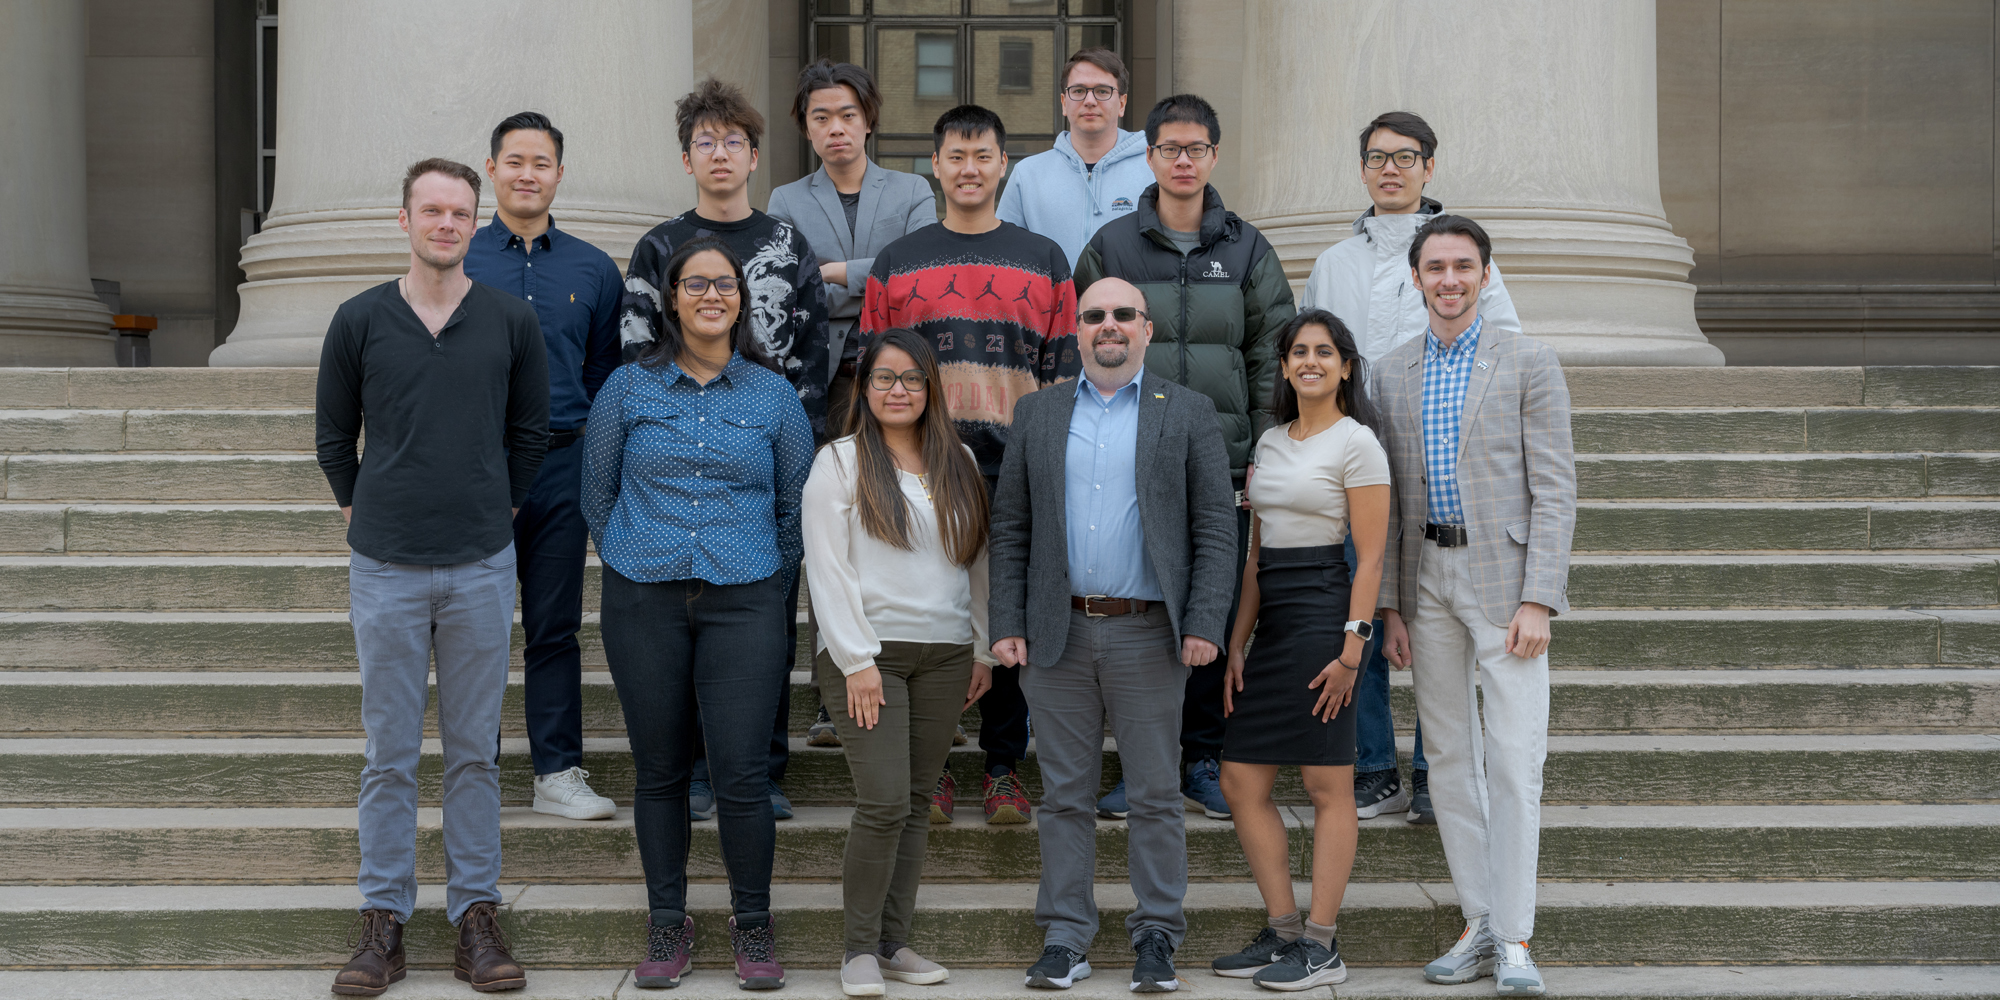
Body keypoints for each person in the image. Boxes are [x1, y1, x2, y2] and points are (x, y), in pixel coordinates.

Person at [317, 158, 545, 995]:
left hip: (482, 566)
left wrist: (499, 511)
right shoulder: (359, 320)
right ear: (403, 220)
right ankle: (383, 921)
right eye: (432, 210)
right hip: (385, 568)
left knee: (475, 754)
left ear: (474, 223)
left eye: (460, 212)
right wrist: (360, 510)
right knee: (388, 754)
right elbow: (333, 437)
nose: (446, 224)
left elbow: (530, 436)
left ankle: (475, 919)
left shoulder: (511, 321)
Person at [987, 276, 1236, 994]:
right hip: (1055, 633)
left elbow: (1217, 528)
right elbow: (1012, 528)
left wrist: (1204, 623)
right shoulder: (1036, 413)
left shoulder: (1186, 411)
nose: (1109, 326)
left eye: (1124, 314)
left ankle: (1157, 933)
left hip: (1150, 635)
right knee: (1064, 796)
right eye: (1094, 315)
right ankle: (1066, 937)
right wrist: (1005, 621)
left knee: (1156, 794)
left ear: (1147, 329)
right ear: (1076, 330)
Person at [582, 236, 814, 991]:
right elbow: (597, 493)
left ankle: (752, 926)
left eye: (724, 283)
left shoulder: (773, 396)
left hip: (744, 599)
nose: (710, 295)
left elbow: (793, 507)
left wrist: (765, 578)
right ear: (672, 298)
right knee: (659, 771)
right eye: (694, 283)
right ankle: (667, 921)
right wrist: (630, 552)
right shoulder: (626, 389)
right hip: (642, 596)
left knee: (743, 773)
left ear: (741, 299)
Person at [1073, 93, 1296, 823]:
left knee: (1211, 608)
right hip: (1127, 458)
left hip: (1223, 463)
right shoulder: (1111, 246)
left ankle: (1202, 756)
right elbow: (1077, 345)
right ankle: (1141, 765)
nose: (1182, 160)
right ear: (1150, 155)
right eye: (1169, 148)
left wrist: (1266, 443)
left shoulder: (1247, 249)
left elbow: (1274, 351)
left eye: (1195, 148)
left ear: (1214, 156)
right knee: (1141, 617)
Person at [1298, 111, 1524, 826]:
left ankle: (1434, 770)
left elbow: (1504, 356)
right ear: (1362, 169)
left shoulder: (1458, 254)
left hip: (1439, 473)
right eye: (1376, 157)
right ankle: (1373, 768)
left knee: (1438, 623)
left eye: (1405, 157)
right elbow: (1310, 359)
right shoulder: (1335, 262)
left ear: (1429, 166)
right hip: (1353, 467)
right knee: (1358, 615)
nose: (1390, 168)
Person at [860, 104, 1080, 827]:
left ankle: (1003, 769)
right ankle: (935, 770)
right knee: (931, 621)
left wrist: (1048, 464)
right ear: (935, 165)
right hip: (920, 470)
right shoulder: (898, 261)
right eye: (956, 155)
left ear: (1003, 165)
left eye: (983, 155)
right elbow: (874, 369)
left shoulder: (1045, 258)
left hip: (1013, 469)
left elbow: (1062, 372)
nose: (969, 169)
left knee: (1004, 622)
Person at [1372, 216, 1575, 997]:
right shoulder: (1389, 374)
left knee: (1516, 762)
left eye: (1463, 266)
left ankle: (1516, 936)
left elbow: (1555, 489)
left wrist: (1539, 599)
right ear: (1416, 279)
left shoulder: (1529, 362)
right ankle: (1479, 919)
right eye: (1435, 267)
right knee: (1451, 761)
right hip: (1426, 585)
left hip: (1504, 587)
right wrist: (1391, 607)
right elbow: (1387, 504)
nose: (1449, 279)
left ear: (1487, 276)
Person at [620, 77, 832, 822]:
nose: (719, 154)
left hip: (766, 465)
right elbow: (635, 356)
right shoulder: (658, 247)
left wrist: (791, 456)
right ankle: (696, 774)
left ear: (752, 156)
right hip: (672, 470)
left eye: (733, 141)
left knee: (766, 618)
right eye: (704, 142)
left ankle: (760, 769)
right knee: (678, 625)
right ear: (687, 159)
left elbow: (812, 356)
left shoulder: (786, 245)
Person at [803, 328, 995, 997]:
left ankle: (893, 941)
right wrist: (855, 661)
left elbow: (975, 562)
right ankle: (857, 949)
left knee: (915, 803)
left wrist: (982, 647)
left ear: (931, 388)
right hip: (870, 655)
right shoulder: (840, 462)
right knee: (883, 801)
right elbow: (826, 570)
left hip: (945, 654)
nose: (897, 390)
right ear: (864, 387)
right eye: (884, 378)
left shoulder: (959, 461)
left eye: (912, 378)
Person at [1209, 310, 1389, 992]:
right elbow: (1256, 555)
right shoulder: (1270, 441)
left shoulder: (1358, 443)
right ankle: (1283, 930)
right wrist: (1236, 642)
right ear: (1283, 367)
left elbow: (1369, 559)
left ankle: (1321, 943)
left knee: (1325, 783)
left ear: (1345, 366)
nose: (1310, 361)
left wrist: (1352, 652)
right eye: (1298, 352)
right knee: (1240, 780)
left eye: (1324, 352)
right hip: (1274, 618)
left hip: (1325, 615)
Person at [767, 59, 939, 750]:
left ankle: (923, 683)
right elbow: (787, 279)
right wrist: (871, 273)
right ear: (806, 128)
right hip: (818, 381)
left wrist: (837, 273)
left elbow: (920, 268)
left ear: (868, 118)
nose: (835, 129)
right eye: (820, 118)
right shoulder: (784, 198)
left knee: (903, 525)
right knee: (829, 536)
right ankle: (829, 688)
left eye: (846, 115)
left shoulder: (912, 189)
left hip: (899, 376)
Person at [463, 111, 622, 823]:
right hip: (477, 466)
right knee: (475, 625)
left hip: (562, 464)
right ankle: (478, 770)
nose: (528, 173)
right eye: (515, 161)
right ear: (492, 169)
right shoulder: (459, 256)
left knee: (554, 626)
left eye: (542, 162)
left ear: (560, 173)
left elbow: (602, 373)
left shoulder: (592, 268)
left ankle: (557, 770)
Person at [995, 47, 1152, 268]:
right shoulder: (1028, 174)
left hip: (1129, 303)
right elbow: (1004, 255)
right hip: (1048, 303)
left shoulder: (1153, 170)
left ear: (1122, 103)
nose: (1089, 100)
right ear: (1063, 103)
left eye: (1102, 91)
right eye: (1078, 91)